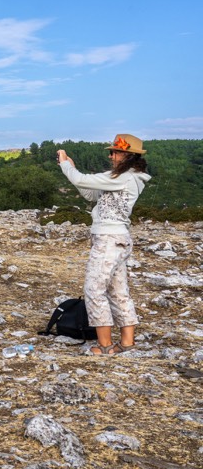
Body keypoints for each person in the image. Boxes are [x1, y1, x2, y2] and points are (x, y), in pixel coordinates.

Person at [57, 134, 151, 356]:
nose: (111, 155)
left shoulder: (124, 178)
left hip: (109, 239)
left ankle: (104, 345)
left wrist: (64, 165)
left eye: (115, 152)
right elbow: (90, 193)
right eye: (111, 152)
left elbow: (80, 180)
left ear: (129, 155)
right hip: (117, 240)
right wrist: (72, 167)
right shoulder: (120, 178)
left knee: (94, 289)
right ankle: (127, 343)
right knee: (118, 291)